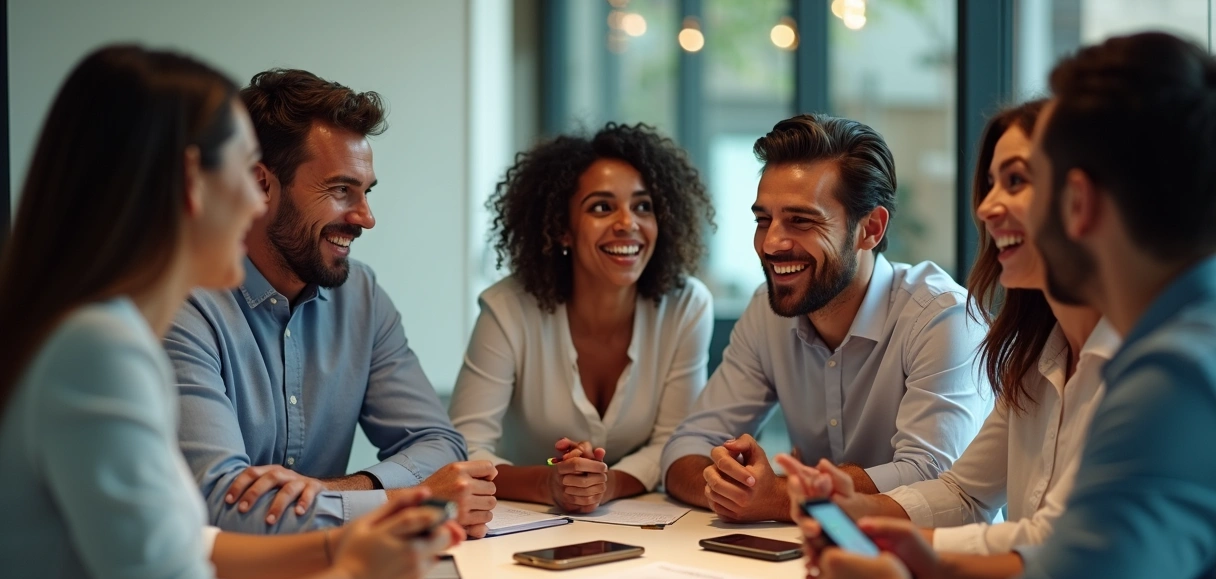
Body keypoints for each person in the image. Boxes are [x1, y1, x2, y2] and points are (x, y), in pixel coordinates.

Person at [0, 45, 459, 579]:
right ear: (194, 181)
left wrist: (346, 539)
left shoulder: (91, 331)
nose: (253, 202)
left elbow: (189, 543)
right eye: (245, 172)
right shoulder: (99, 351)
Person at [803, 32, 1216, 579]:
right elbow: (1077, 570)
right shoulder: (1176, 340)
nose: (992, 209)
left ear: (1075, 203)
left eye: (1030, 182)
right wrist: (937, 564)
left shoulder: (1176, 376)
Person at [165, 68, 497, 537]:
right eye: (341, 190)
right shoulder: (184, 305)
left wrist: (339, 490)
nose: (366, 217)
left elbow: (440, 444)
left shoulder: (360, 295)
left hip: (339, 572)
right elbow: (222, 508)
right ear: (261, 185)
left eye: (366, 192)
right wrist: (407, 502)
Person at [780, 99, 1119, 557]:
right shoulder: (1034, 353)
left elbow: (1057, 548)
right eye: (992, 184)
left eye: (1016, 181)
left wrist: (901, 555)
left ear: (1084, 198)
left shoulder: (1137, 365)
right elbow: (964, 494)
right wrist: (852, 509)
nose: (987, 207)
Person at [660, 113, 991, 523]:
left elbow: (932, 475)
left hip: (932, 566)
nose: (772, 243)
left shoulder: (944, 318)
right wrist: (734, 488)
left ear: (869, 229)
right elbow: (685, 448)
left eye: (801, 221)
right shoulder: (767, 311)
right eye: (764, 220)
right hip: (814, 559)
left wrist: (780, 496)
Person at [449, 123, 715, 512]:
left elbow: (675, 442)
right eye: (602, 207)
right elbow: (464, 446)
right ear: (562, 230)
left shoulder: (686, 306)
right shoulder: (507, 309)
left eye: (643, 206)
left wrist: (605, 486)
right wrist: (549, 483)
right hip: (513, 523)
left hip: (641, 523)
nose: (628, 223)